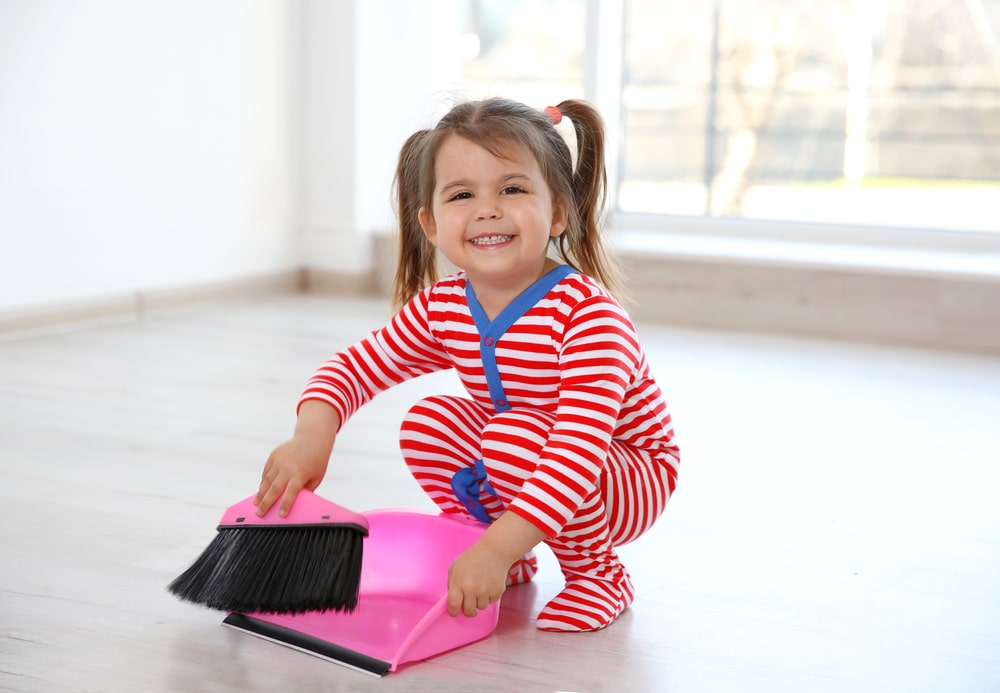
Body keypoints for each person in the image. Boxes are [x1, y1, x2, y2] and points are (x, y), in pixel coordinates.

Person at [254, 97, 680, 632]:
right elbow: (355, 367)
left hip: (623, 472)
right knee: (428, 423)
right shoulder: (446, 304)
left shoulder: (589, 317)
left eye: (512, 189)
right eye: (462, 194)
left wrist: (494, 552)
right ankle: (498, 547)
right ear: (431, 224)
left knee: (509, 438)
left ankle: (598, 573)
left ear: (560, 211)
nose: (487, 209)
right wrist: (311, 435)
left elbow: (578, 447)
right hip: (526, 449)